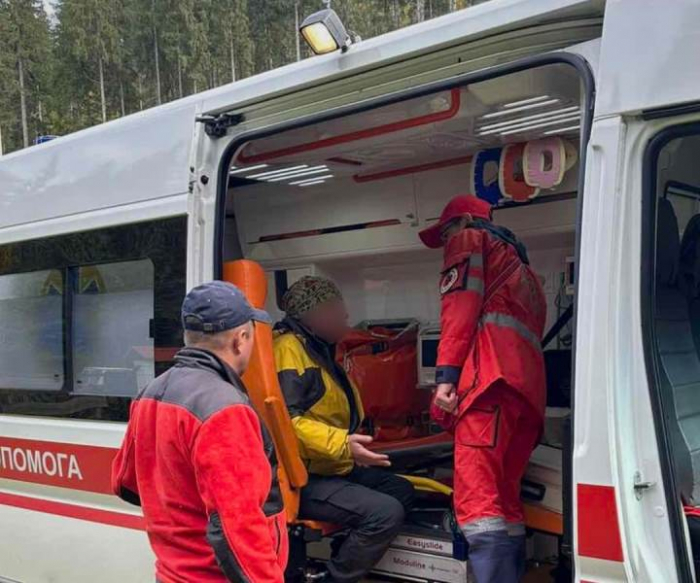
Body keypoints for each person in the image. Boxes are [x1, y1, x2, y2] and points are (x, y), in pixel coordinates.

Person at [111, 281, 287, 583]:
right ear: (241, 339)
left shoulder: (151, 392)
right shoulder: (225, 409)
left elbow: (126, 483)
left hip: (171, 574)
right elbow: (238, 526)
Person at [419, 195, 547, 583]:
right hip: (524, 396)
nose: (445, 242)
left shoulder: (469, 241)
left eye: (444, 233)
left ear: (459, 223)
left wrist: (445, 380)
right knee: (504, 502)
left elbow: (458, 312)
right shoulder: (524, 271)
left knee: (477, 501)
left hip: (487, 387)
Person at [273, 276, 415, 583]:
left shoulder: (317, 348)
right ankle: (334, 579)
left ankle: (346, 550)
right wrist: (342, 444)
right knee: (385, 513)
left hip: (330, 464)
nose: (345, 316)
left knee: (400, 489)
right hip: (305, 478)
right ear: (315, 315)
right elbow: (285, 422)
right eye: (337, 309)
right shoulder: (288, 350)